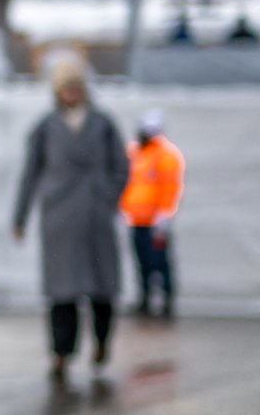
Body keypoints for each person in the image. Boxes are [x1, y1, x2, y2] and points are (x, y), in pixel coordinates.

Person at [11, 59, 130, 382]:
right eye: (66, 88)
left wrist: (106, 196)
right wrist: (20, 216)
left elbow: (122, 167)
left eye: (77, 87)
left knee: (102, 288)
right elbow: (30, 174)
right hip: (60, 219)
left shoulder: (103, 125)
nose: (72, 93)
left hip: (95, 217)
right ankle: (61, 352)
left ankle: (102, 342)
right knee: (62, 292)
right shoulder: (46, 127)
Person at [119, 108, 185, 318]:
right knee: (141, 263)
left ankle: (166, 302)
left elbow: (170, 187)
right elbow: (124, 182)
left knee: (160, 262)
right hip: (136, 220)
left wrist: (165, 214)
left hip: (156, 222)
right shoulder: (135, 153)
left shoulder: (166, 156)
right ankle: (144, 299)